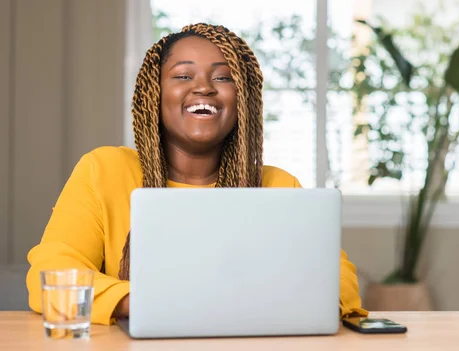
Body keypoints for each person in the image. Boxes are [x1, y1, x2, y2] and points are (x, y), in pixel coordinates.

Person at [26, 23, 368, 326]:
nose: (203, 87)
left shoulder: (278, 186)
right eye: (183, 76)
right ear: (154, 95)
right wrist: (138, 303)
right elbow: (51, 273)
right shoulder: (103, 171)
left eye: (222, 77)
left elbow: (339, 280)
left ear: (242, 99)